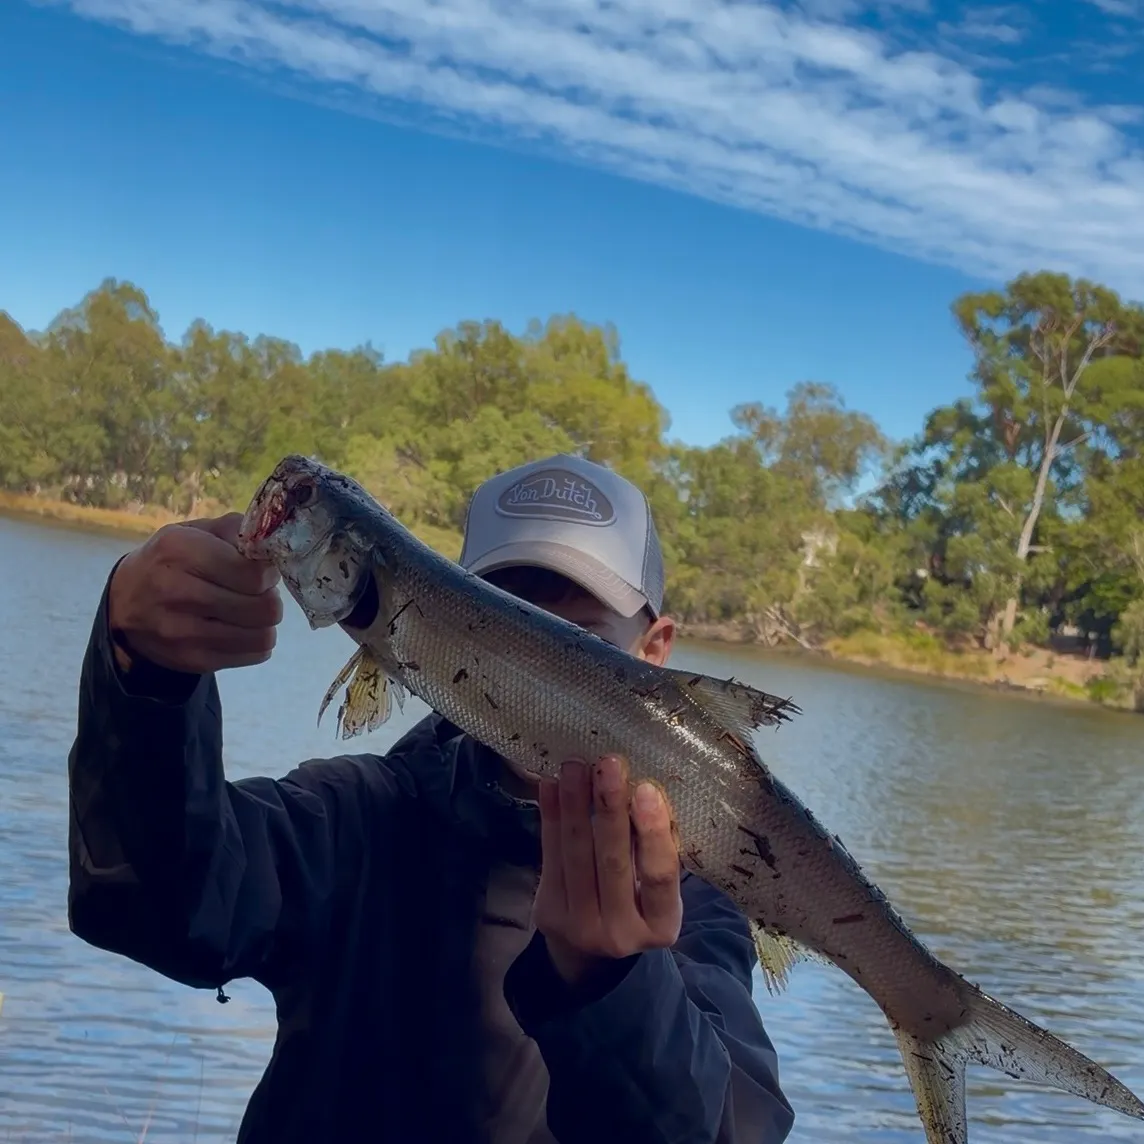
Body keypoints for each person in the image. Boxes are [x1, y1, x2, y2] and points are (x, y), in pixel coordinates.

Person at [67, 452, 796, 1144]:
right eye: (497, 615)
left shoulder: (694, 899)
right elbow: (152, 903)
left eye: (575, 638)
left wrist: (613, 984)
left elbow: (726, 1127)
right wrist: (143, 677)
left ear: (655, 649)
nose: (526, 658)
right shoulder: (354, 819)